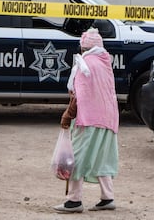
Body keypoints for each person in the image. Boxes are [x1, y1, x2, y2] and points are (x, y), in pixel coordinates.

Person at [53, 28, 119, 213]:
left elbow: (78, 95)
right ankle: (107, 197)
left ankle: (74, 201)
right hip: (109, 119)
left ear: (84, 48)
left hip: (88, 119)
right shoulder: (105, 63)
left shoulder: (84, 65)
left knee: (77, 158)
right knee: (102, 157)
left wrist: (67, 115)